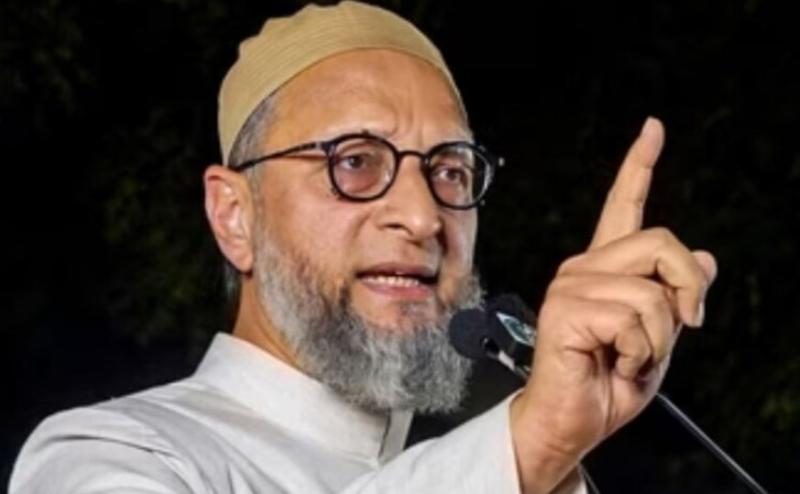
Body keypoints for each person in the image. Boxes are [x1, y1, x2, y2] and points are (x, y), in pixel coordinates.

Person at [10, 2, 716, 493]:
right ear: (234, 215)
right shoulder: (108, 456)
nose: (421, 216)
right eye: (353, 162)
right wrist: (530, 443)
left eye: (449, 171)